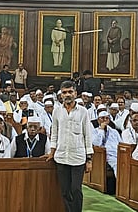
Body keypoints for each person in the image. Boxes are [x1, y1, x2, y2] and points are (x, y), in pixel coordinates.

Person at [46, 81, 93, 212]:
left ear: (75, 93)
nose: (67, 95)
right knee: (65, 191)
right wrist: (52, 151)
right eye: (64, 92)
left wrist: (89, 159)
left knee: (76, 190)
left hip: (78, 157)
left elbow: (87, 135)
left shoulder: (83, 112)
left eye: (70, 92)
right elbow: (54, 133)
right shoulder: (57, 111)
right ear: (60, 95)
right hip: (61, 157)